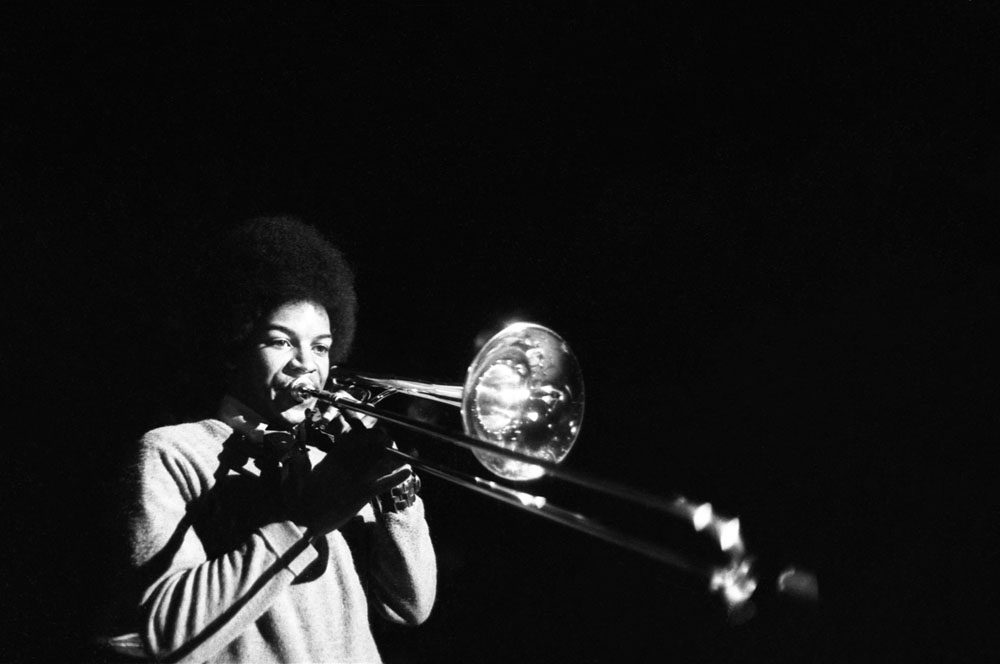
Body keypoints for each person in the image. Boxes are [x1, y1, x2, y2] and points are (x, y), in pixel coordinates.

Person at [106, 216, 436, 663]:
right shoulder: (171, 452)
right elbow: (167, 631)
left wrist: (397, 499)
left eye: (321, 347)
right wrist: (304, 522)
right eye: (281, 343)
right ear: (233, 346)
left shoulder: (330, 457)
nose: (307, 365)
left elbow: (408, 608)